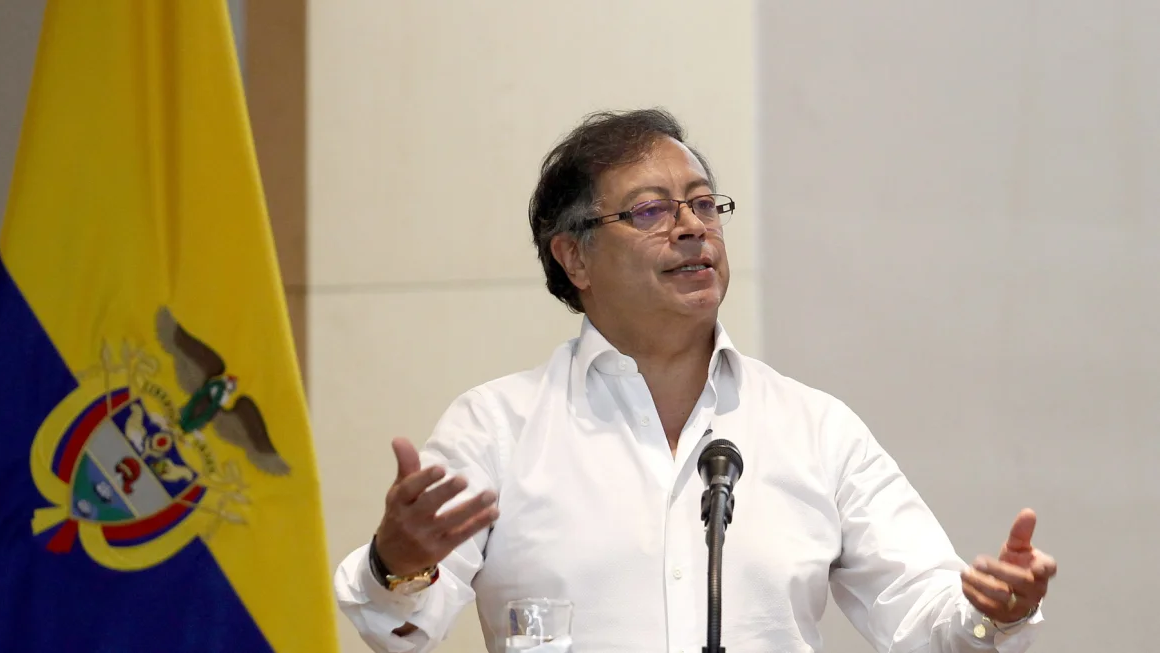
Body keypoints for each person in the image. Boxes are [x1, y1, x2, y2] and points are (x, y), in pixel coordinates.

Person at [333, 109, 1057, 653]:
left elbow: (927, 617)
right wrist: (396, 562)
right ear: (573, 259)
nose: (692, 228)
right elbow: (400, 628)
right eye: (650, 210)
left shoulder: (813, 429)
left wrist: (993, 610)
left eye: (704, 204)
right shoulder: (497, 427)